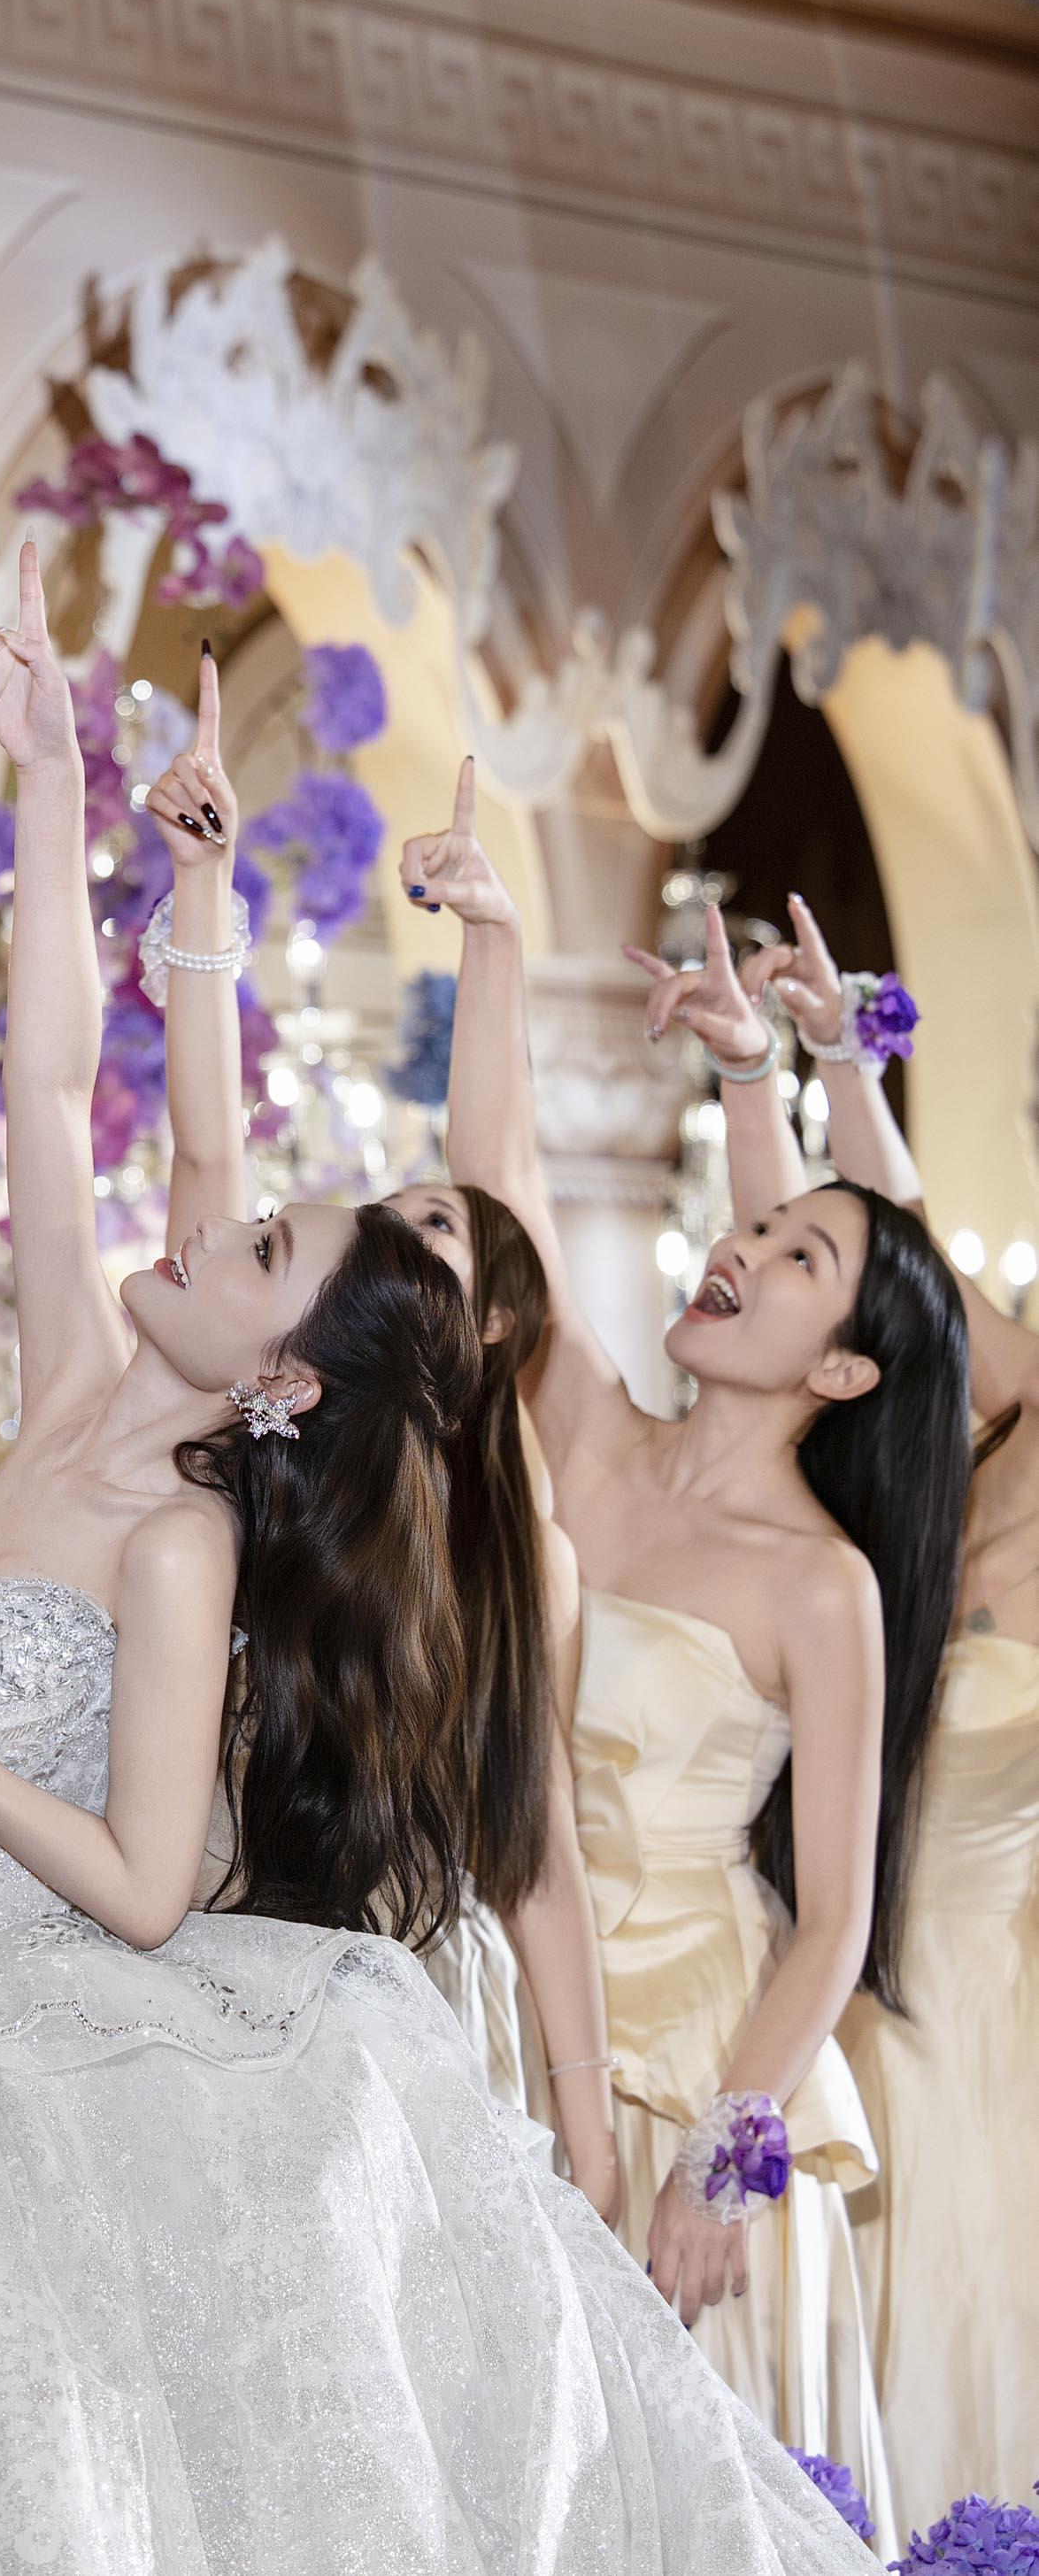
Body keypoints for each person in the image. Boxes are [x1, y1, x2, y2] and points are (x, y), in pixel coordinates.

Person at [0, 549, 866, 2576]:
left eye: (256, 1244)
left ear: (279, 1371)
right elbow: (41, 1077)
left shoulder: (185, 1539)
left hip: (36, 2062)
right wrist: (49, 777)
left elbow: (147, 1884)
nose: (202, 1219)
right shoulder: (71, 1387)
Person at [416, 764, 969, 2547]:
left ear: (840, 1371)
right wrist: (495, 942)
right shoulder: (589, 1434)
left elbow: (830, 1921)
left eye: (796, 1255)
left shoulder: (824, 1584)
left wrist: (730, 2158)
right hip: (509, 2005)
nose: (741, 1242)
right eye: (754, 1224)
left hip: (698, 2067)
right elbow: (493, 1197)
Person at [146, 656, 615, 2216]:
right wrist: (203, 888)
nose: (407, 1232)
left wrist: (592, 2131)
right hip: (211, 1956)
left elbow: (539, 1846)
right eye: (393, 1221)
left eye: (439, 1242)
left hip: (400, 2015)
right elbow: (207, 1157)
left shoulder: (508, 1539)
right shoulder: (271, 1420)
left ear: (480, 1335)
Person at [722, 891, 1039, 2526]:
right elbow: (871, 1275)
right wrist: (826, 1059)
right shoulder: (970, 1430)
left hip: (968, 2035)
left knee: (936, 2427)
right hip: (805, 1962)